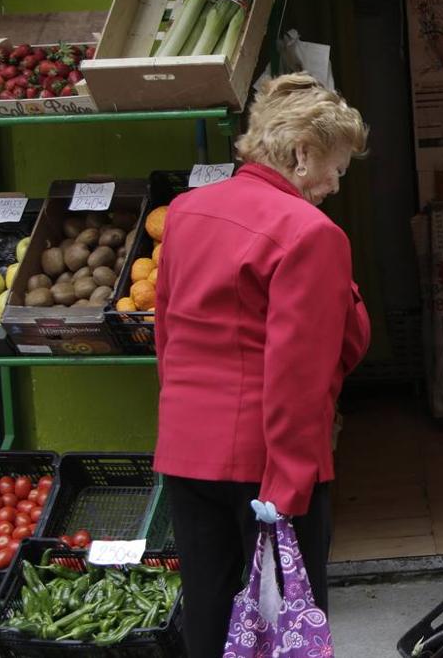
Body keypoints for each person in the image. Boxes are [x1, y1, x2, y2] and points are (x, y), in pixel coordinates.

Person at [153, 73, 371, 657]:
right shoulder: (308, 232)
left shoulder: (186, 210)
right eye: (337, 167)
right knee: (281, 623)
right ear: (303, 153)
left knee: (209, 609)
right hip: (266, 462)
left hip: (186, 446)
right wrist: (291, 480)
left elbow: (167, 332)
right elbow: (301, 371)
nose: (334, 184)